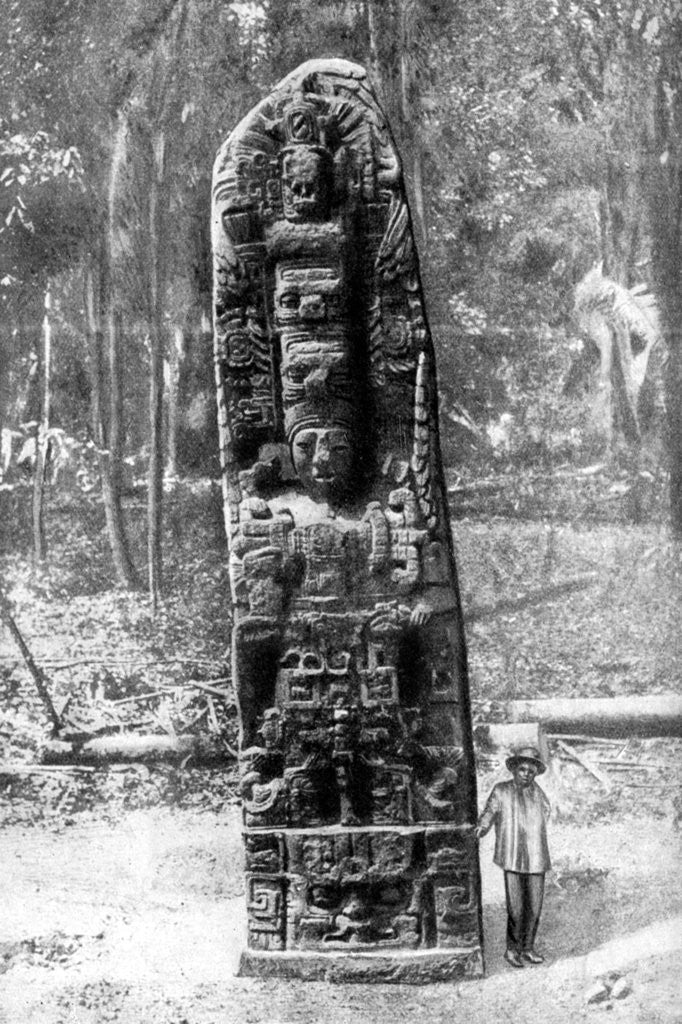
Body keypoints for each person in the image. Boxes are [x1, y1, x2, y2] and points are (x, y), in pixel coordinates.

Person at [475, 745, 551, 968]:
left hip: (537, 857)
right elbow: (489, 812)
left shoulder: (539, 794)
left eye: (531, 771)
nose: (526, 774)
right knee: (516, 909)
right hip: (513, 856)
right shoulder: (501, 790)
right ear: (514, 770)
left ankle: (528, 948)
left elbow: (547, 812)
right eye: (523, 769)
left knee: (534, 908)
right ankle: (512, 950)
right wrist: (483, 827)